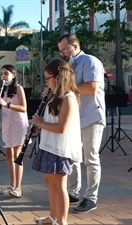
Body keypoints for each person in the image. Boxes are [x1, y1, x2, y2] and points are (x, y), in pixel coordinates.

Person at [57, 34, 106, 213]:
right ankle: (73, 193)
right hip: (75, 118)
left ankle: (91, 198)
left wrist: (66, 87)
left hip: (92, 116)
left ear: (75, 46)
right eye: (60, 50)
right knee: (73, 156)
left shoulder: (90, 61)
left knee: (90, 158)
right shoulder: (69, 66)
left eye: (65, 49)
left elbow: (91, 89)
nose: (62, 53)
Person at [32, 59, 82, 225]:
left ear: (59, 77)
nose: (46, 82)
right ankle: (53, 217)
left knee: (60, 186)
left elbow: (61, 128)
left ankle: (62, 221)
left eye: (48, 78)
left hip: (60, 148)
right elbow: (49, 120)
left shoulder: (68, 98)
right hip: (48, 145)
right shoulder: (54, 97)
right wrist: (40, 127)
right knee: (49, 182)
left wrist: (40, 123)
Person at [0, 64, 29, 198]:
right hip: (7, 123)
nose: (3, 76)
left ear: (13, 75)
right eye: (1, 74)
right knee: (8, 155)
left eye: (6, 73)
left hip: (18, 123)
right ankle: (12, 185)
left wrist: (6, 104)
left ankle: (18, 188)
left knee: (17, 156)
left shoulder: (18, 88)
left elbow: (23, 107)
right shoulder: (1, 90)